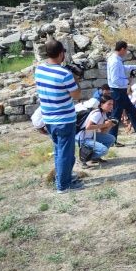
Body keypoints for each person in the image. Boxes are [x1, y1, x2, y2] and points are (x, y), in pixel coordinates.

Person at [35, 40, 82, 193]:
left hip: (48, 118)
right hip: (64, 119)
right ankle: (63, 185)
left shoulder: (39, 69)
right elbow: (76, 95)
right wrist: (75, 78)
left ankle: (61, 178)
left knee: (59, 150)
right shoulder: (65, 74)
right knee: (66, 153)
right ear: (62, 53)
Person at [107, 40, 136, 143]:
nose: (126, 52)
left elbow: (123, 68)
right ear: (122, 49)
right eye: (126, 50)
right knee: (115, 116)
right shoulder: (115, 61)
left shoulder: (116, 59)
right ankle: (112, 139)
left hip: (120, 92)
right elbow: (115, 79)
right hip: (117, 92)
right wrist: (127, 81)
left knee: (131, 110)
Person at [77, 94, 118, 166]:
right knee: (103, 150)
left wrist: (110, 125)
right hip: (83, 138)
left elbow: (103, 132)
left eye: (112, 104)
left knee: (111, 139)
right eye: (109, 104)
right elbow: (88, 127)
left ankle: (95, 157)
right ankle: (83, 158)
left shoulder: (103, 113)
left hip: (91, 136)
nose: (111, 106)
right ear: (102, 104)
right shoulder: (97, 113)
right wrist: (105, 125)